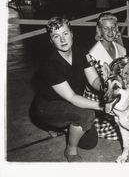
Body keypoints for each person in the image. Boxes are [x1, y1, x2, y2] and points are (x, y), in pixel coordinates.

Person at [33, 16, 103, 162]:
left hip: (70, 103)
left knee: (90, 143)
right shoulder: (49, 64)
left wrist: (107, 86)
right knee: (87, 114)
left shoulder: (80, 51)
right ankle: (70, 151)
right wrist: (102, 106)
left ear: (72, 34)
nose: (63, 40)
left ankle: (63, 127)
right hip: (47, 106)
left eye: (65, 34)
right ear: (51, 40)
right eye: (56, 36)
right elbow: (72, 97)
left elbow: (94, 80)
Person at [83, 12, 126, 140]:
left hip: (116, 91)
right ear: (99, 30)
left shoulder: (121, 49)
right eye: (106, 28)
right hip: (98, 96)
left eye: (113, 27)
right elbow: (95, 83)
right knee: (119, 129)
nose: (110, 31)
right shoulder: (92, 54)